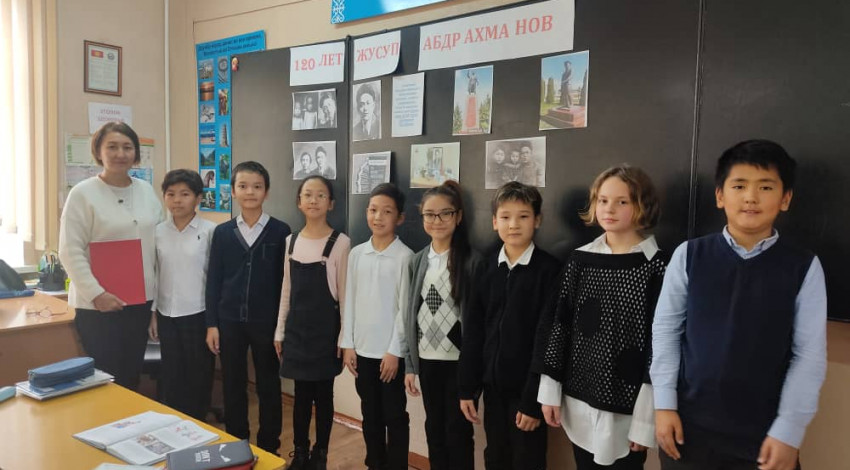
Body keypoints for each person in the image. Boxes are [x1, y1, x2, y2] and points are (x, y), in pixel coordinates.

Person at [651, 140, 827, 470]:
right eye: (739, 185)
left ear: (785, 199)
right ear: (720, 196)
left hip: (764, 434)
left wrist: (790, 430)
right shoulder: (689, 255)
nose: (751, 197)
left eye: (766, 187)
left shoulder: (803, 266)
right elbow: (666, 332)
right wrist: (664, 404)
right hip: (689, 427)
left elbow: (809, 355)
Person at [535, 165, 666, 469]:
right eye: (603, 200)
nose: (609, 209)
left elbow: (659, 348)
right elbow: (560, 325)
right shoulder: (580, 260)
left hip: (628, 408)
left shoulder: (657, 267)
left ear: (642, 206)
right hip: (579, 400)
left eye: (622, 201)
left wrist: (645, 421)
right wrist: (550, 390)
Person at [459, 182, 562, 470]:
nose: (513, 224)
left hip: (527, 391)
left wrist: (533, 401)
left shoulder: (549, 271)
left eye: (523, 216)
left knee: (527, 459)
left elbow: (548, 342)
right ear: (494, 222)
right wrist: (467, 387)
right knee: (495, 456)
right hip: (493, 389)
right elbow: (474, 331)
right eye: (505, 217)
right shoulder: (486, 267)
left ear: (537, 220)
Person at [58, 121, 163, 391]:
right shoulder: (82, 194)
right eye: (112, 147)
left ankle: (131, 420)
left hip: (139, 302)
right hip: (97, 307)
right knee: (106, 379)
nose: (120, 154)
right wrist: (97, 294)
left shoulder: (146, 190)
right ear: (98, 152)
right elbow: (70, 250)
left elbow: (158, 244)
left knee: (131, 375)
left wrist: (155, 304)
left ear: (136, 153)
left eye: (127, 147)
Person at [205, 161, 291, 454]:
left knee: (268, 385)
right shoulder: (223, 232)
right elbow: (213, 280)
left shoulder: (281, 231)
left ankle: (269, 446)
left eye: (257, 186)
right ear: (233, 191)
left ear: (266, 191)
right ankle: (236, 444)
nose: (250, 192)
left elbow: (285, 283)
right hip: (229, 321)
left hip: (266, 323)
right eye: (243, 186)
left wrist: (281, 327)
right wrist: (212, 323)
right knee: (233, 384)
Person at [398, 180, 480, 470]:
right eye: (430, 214)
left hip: (459, 363)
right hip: (427, 360)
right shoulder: (417, 261)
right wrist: (410, 365)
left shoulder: (472, 261)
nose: (437, 220)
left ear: (458, 216)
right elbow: (409, 314)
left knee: (457, 432)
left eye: (445, 213)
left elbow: (476, 322)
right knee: (434, 429)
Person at [275, 176, 351, 470]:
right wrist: (279, 331)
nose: (314, 200)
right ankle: (300, 452)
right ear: (299, 202)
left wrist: (344, 339)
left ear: (331, 203)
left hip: (326, 333)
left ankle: (321, 454)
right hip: (296, 332)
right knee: (301, 396)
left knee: (324, 395)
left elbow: (344, 296)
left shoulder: (341, 243)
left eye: (321, 195)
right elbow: (286, 290)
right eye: (308, 194)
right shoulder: (290, 241)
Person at [342, 183, 414, 470]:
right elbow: (349, 301)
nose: (378, 217)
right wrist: (348, 344)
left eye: (387, 212)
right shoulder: (357, 254)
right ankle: (375, 463)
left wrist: (395, 351)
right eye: (373, 210)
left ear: (400, 218)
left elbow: (404, 311)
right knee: (369, 414)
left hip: (389, 356)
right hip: (362, 351)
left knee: (394, 416)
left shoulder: (405, 257)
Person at [148, 169, 215, 420]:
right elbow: (155, 274)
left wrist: (214, 322)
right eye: (171, 194)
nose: (177, 200)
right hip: (166, 314)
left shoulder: (211, 231)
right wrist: (153, 313)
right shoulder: (157, 232)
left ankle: (198, 424)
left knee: (199, 376)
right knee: (172, 374)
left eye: (185, 194)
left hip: (199, 314)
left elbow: (215, 279)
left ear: (198, 198)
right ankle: (176, 425)